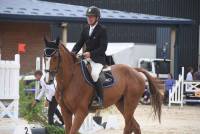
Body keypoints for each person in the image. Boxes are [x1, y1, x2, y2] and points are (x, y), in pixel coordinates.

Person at [71, 6, 108, 107]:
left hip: (98, 59)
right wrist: (72, 53)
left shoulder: (102, 30)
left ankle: (100, 99)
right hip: (87, 58)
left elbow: (103, 48)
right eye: (88, 17)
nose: (89, 18)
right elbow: (79, 43)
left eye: (92, 17)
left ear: (97, 18)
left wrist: (91, 54)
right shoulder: (85, 29)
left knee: (95, 74)